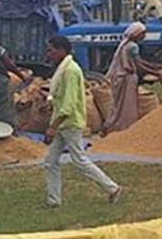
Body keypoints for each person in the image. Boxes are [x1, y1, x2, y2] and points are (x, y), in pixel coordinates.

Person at [42, 35, 122, 207]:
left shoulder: (70, 71)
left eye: (52, 50)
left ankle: (112, 188)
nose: (49, 54)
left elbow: (69, 105)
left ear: (62, 50)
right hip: (62, 122)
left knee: (80, 161)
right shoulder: (64, 69)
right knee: (50, 161)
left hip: (69, 123)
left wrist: (52, 127)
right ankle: (53, 201)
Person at [103, 22, 162, 135]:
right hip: (126, 78)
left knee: (118, 105)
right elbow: (138, 65)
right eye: (143, 34)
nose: (144, 36)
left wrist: (153, 66)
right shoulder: (133, 46)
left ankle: (111, 126)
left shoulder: (126, 45)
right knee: (127, 106)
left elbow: (139, 61)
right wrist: (156, 73)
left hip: (120, 78)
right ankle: (124, 128)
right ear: (136, 34)